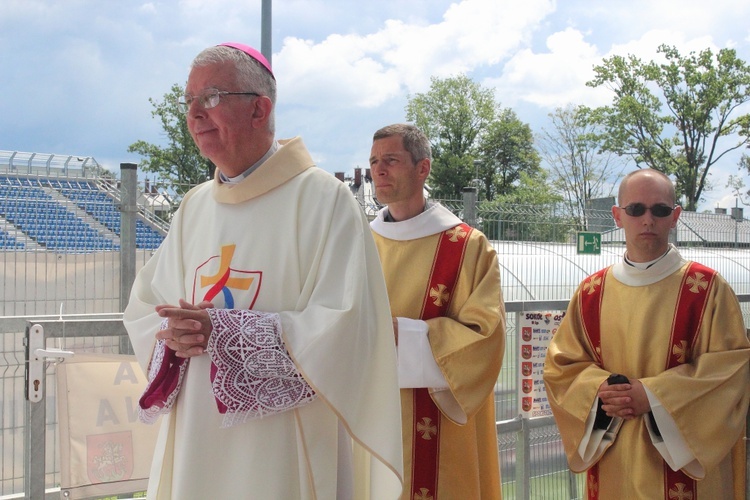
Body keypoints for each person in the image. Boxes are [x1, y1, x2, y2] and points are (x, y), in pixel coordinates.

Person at [123, 43, 403, 499]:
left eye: (210, 97)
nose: (194, 115)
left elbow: (347, 327)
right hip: (197, 437)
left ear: (260, 109)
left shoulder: (324, 201)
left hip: (281, 447)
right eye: (188, 101)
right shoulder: (194, 206)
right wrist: (174, 336)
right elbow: (144, 309)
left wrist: (230, 334)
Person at [544, 168, 750, 499]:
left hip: (685, 469)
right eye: (636, 209)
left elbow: (730, 373)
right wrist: (603, 391)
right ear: (617, 215)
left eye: (660, 210)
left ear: (675, 217)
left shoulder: (706, 289)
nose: (648, 220)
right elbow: (561, 367)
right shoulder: (591, 293)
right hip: (614, 458)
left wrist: (652, 397)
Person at [368, 123, 505, 499]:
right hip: (373, 415)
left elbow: (485, 337)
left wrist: (403, 337)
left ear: (423, 168)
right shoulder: (359, 243)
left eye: (391, 160)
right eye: (374, 161)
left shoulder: (466, 246)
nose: (379, 170)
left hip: (441, 424)